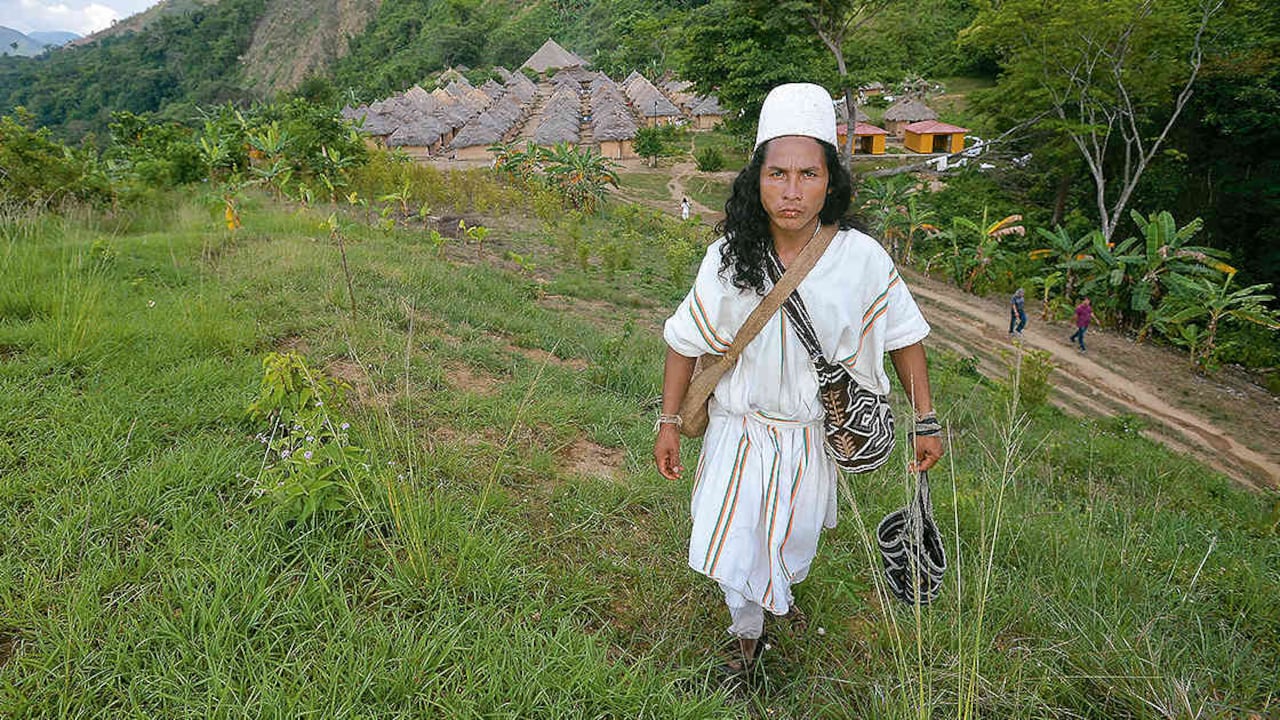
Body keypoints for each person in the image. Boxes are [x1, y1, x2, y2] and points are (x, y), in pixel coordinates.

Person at [652, 83, 944, 676]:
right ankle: (745, 641)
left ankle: (762, 614)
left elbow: (904, 337)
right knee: (734, 546)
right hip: (738, 434)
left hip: (811, 441)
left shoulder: (860, 258)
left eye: (808, 174)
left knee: (786, 546)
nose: (791, 192)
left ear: (829, 180)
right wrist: (669, 420)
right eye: (777, 174)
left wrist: (926, 420)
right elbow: (684, 340)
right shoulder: (730, 257)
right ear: (755, 179)